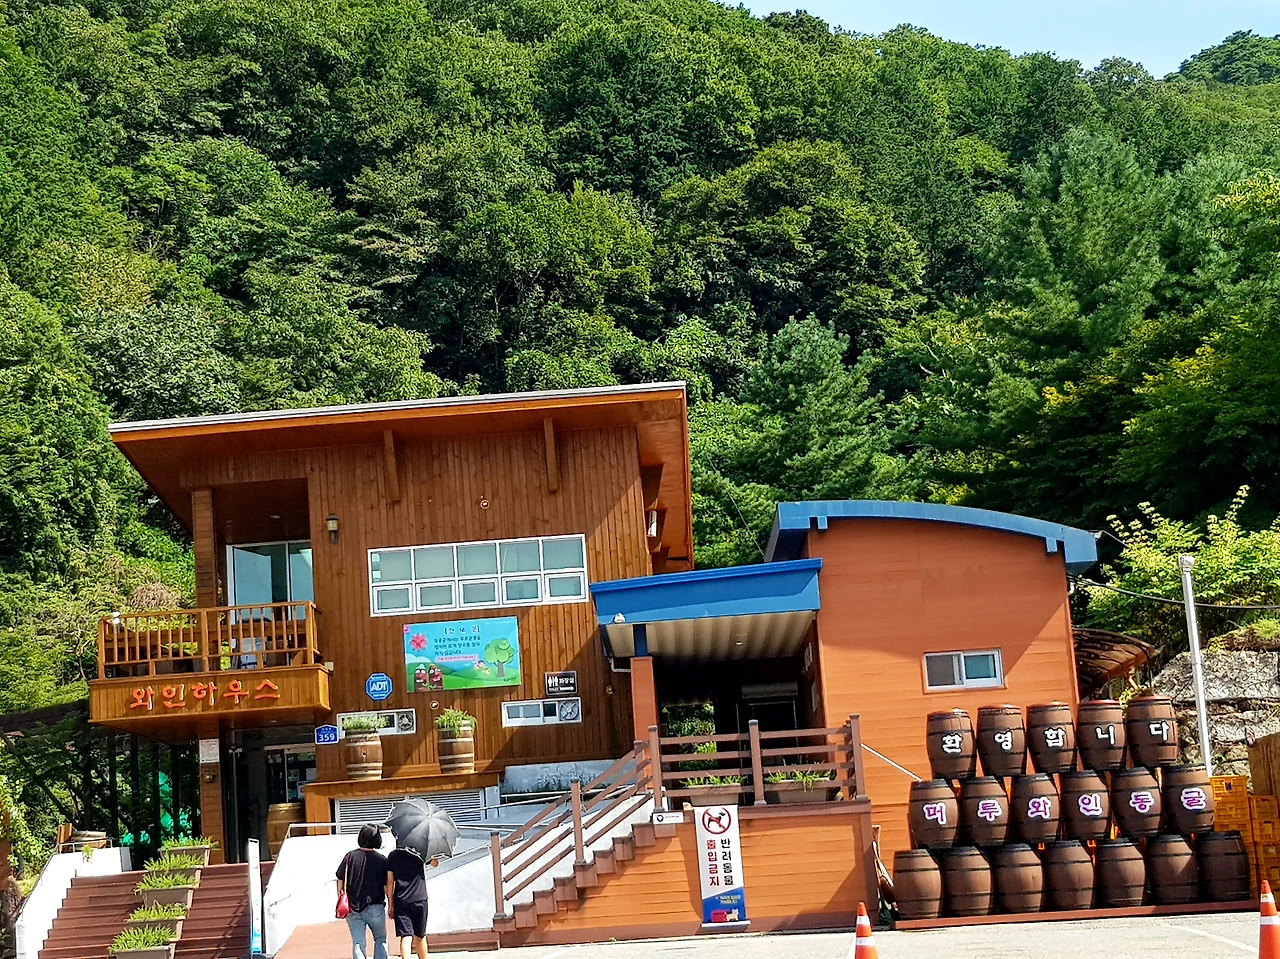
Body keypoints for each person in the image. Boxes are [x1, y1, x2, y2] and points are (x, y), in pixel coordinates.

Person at [336, 824, 390, 959]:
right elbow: (386, 886)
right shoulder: (381, 860)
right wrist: (391, 903)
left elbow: (340, 878)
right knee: (380, 939)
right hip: (375, 907)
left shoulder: (349, 857)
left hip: (352, 908)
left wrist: (341, 896)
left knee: (358, 943)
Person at [385, 845, 436, 959]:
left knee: (406, 936)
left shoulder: (393, 856)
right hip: (420, 899)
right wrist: (431, 854)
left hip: (401, 900)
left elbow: (390, 882)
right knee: (420, 935)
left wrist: (390, 903)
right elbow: (435, 863)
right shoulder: (419, 852)